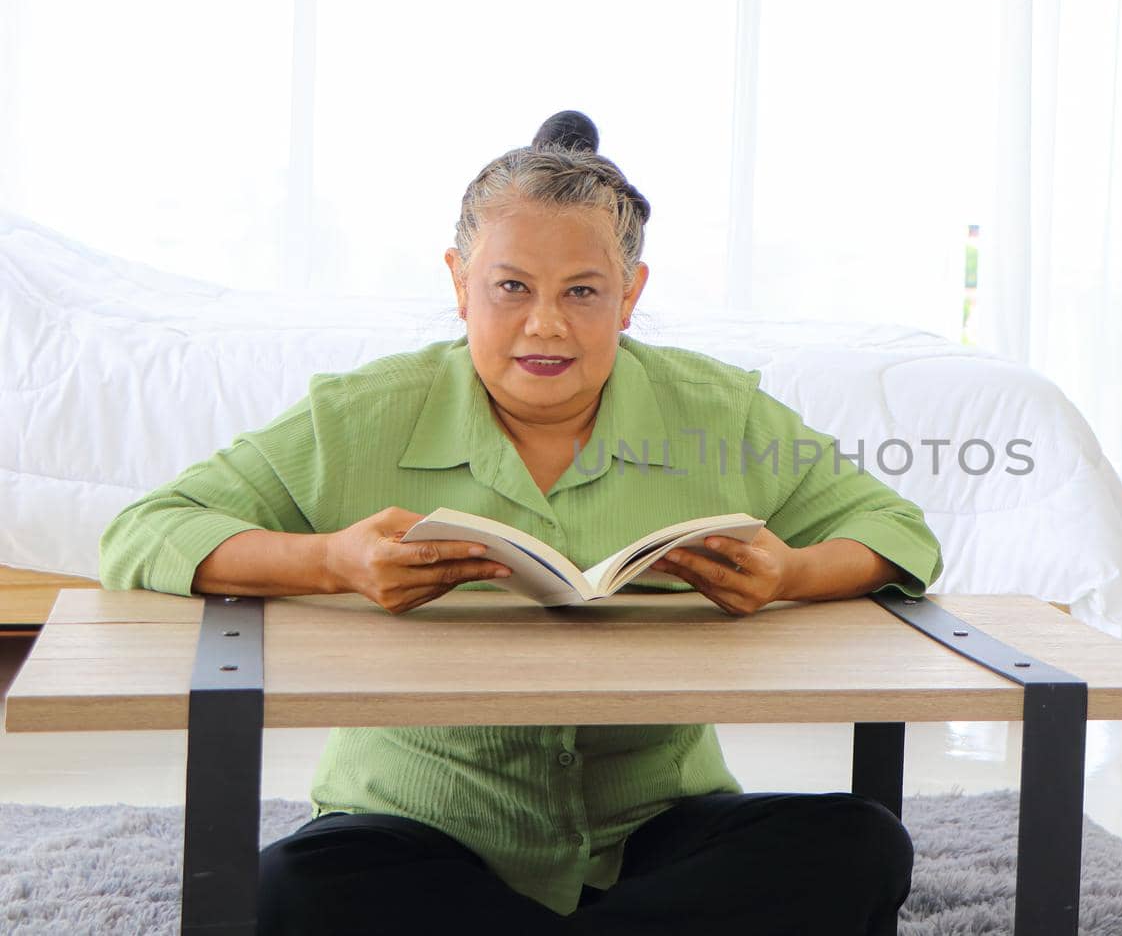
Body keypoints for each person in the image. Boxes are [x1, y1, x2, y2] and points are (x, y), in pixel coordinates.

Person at [98, 110, 943, 935]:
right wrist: (332, 559)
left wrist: (791, 573)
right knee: (297, 886)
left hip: (654, 824)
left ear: (631, 294)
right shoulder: (360, 414)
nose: (546, 323)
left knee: (858, 844)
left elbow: (895, 528)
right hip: (418, 827)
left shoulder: (717, 410)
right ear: (461, 283)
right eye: (511, 287)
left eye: (583, 291)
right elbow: (148, 527)